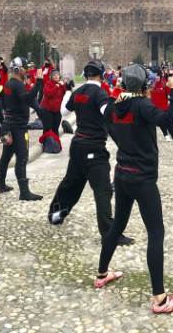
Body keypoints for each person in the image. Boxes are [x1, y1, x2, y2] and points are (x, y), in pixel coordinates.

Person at [95, 64, 173, 314]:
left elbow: (111, 130)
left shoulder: (114, 108)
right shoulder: (143, 106)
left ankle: (102, 273)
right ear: (144, 86)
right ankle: (160, 299)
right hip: (143, 178)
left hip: (123, 173)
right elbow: (170, 121)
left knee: (117, 225)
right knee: (156, 232)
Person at [49, 59, 134, 243]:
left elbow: (64, 111)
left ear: (86, 74)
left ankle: (55, 214)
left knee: (70, 184)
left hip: (77, 144)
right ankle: (110, 234)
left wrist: (68, 91)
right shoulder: (100, 93)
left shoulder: (79, 92)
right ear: (102, 75)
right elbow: (108, 113)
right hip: (94, 147)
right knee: (103, 190)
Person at [0, 58, 44, 201]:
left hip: (9, 124)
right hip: (18, 127)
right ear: (18, 69)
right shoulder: (17, 85)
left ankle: (1, 185)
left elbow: (3, 103)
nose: (27, 71)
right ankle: (24, 192)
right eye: (25, 68)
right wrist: (39, 82)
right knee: (22, 158)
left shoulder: (8, 84)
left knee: (6, 156)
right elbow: (28, 98)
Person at [39, 69, 71, 153]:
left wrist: (64, 86)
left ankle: (56, 145)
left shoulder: (61, 84)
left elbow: (66, 93)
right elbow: (48, 94)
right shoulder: (48, 84)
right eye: (54, 75)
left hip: (57, 110)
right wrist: (56, 87)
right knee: (47, 128)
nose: (56, 77)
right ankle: (46, 145)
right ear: (51, 77)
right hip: (47, 109)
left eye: (57, 75)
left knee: (55, 128)